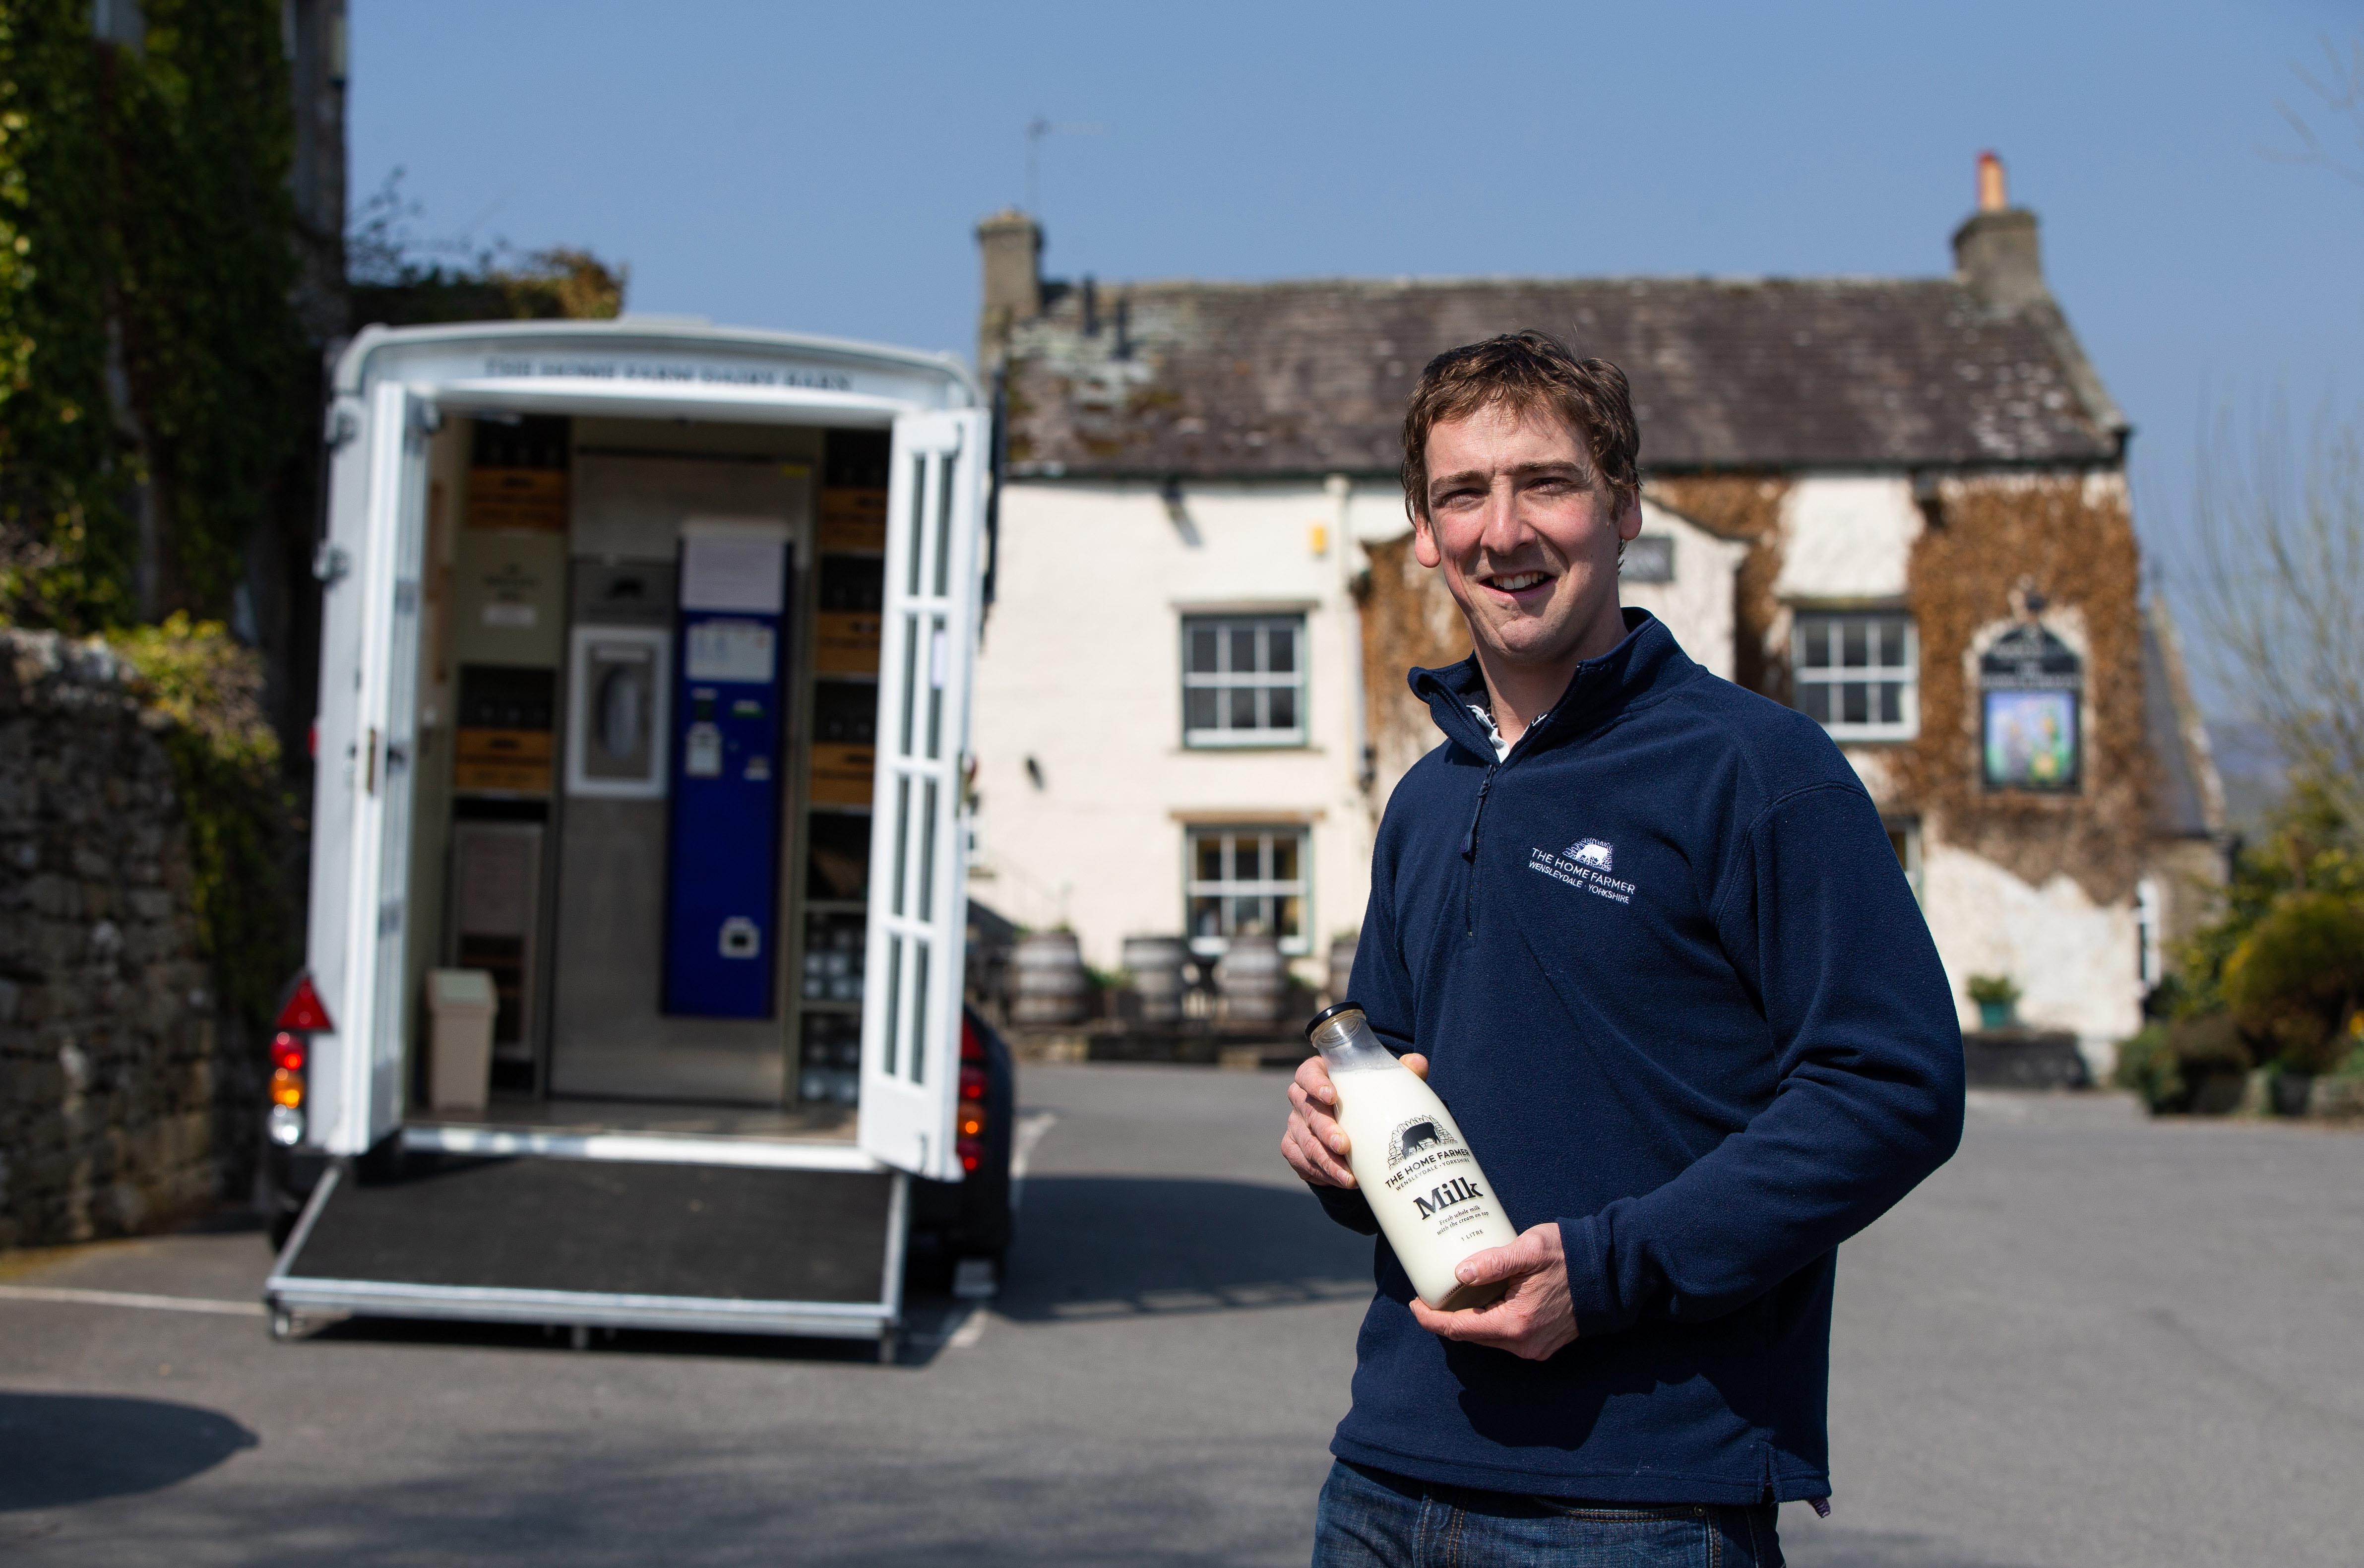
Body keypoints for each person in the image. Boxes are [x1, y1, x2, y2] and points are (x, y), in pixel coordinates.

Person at [1281, 331, 1964, 1566]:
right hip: (1385, 1478)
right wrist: (1335, 1146)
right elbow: (1400, 1080)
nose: (1504, 532)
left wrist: (1604, 1274)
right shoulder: (1427, 799)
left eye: (1545, 483)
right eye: (1461, 495)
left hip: (1636, 1502)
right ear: (1422, 535)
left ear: (1625, 507)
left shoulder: (1757, 771)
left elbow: (1893, 1088)